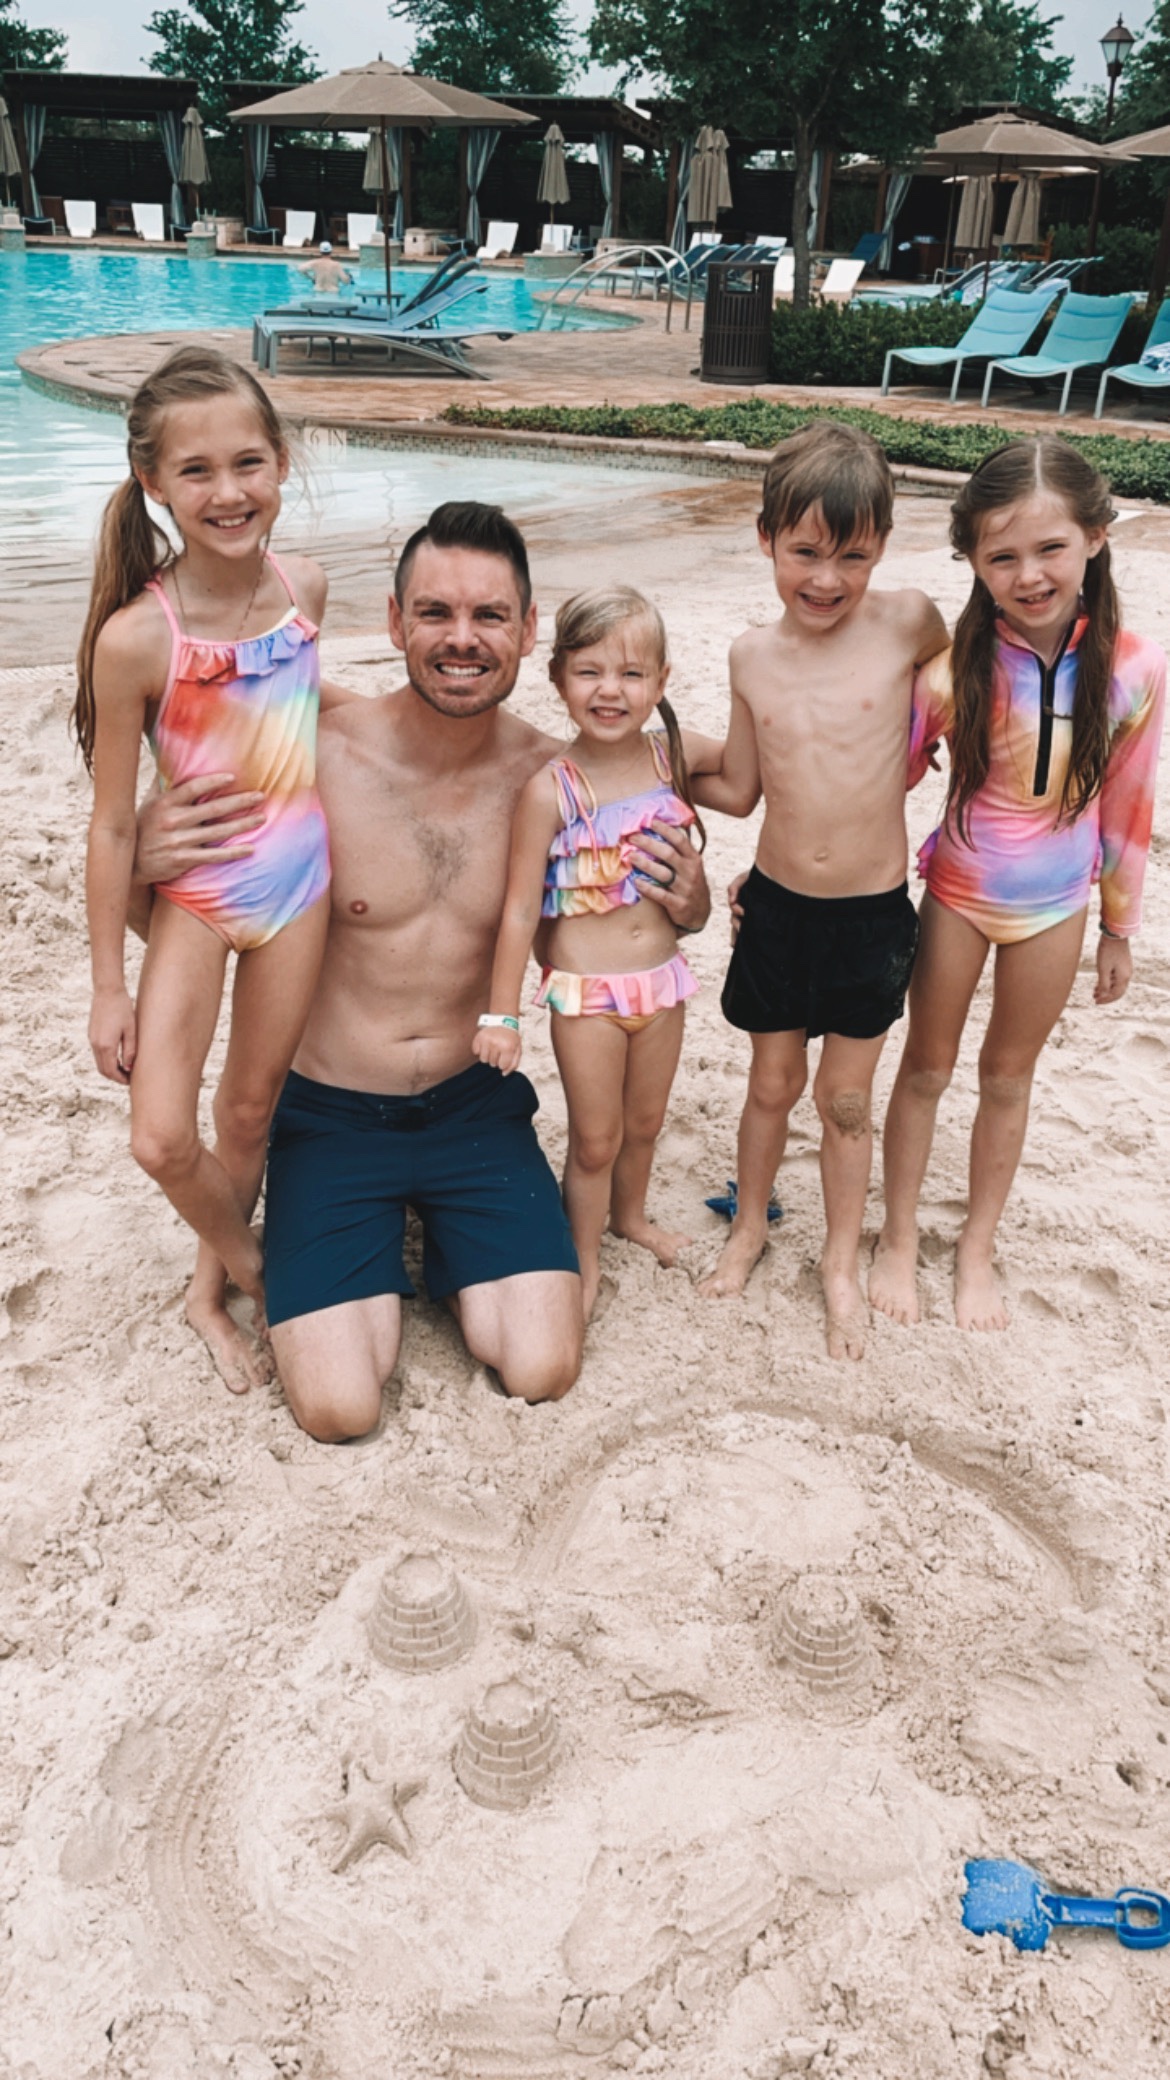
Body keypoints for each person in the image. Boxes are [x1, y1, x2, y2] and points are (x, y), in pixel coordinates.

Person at [133, 503, 712, 1438]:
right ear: (396, 621)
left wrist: (691, 901)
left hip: (473, 1106)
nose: (462, 638)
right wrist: (143, 860)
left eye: (490, 615)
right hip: (330, 1117)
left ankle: (450, 1239)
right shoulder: (314, 759)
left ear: (529, 630)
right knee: (338, 1407)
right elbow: (205, 916)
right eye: (436, 612)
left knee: (542, 1366)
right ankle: (387, 1240)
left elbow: (613, 932)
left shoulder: (555, 785)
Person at [76, 344, 331, 1395]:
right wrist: (107, 987)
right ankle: (255, 1264)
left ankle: (205, 1292)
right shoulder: (140, 638)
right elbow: (108, 828)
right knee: (160, 1136)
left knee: (248, 1113)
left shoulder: (306, 587)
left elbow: (302, 707)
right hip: (199, 897)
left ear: (281, 462)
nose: (228, 492)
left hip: (300, 889)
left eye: (248, 463)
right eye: (196, 471)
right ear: (154, 482)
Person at [870, 437, 1165, 1332]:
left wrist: (1119, 927)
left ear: (1097, 538)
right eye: (1002, 556)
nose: (1029, 575)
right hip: (957, 893)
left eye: (1051, 549)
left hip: (1057, 905)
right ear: (971, 559)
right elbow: (885, 779)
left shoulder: (1135, 668)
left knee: (1007, 1077)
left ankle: (976, 1246)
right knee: (926, 1067)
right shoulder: (950, 668)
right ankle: (896, 1237)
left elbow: (1129, 806)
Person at [697, 422, 948, 1361]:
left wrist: (930, 733)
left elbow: (961, 676)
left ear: (883, 546)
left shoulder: (909, 620)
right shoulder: (749, 656)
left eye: (854, 557)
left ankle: (841, 1260)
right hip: (776, 904)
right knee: (770, 1084)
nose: (828, 579)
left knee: (845, 1102)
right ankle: (749, 1226)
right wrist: (648, 755)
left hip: (872, 915)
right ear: (766, 538)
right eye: (804, 553)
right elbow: (741, 788)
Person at [473, 585, 730, 1319]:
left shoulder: (671, 755)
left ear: (662, 681)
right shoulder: (551, 790)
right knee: (595, 1138)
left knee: (644, 1125)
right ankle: (582, 1257)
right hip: (587, 997)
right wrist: (501, 1016)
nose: (610, 691)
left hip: (663, 985)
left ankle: (631, 1217)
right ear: (558, 678)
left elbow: (747, 775)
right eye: (588, 671)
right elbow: (519, 907)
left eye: (631, 674)